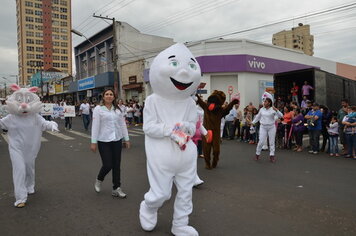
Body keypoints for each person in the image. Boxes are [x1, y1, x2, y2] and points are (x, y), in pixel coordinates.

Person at [91, 89, 130, 198]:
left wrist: (126, 139)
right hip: (104, 140)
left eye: (111, 94)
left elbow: (122, 125)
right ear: (103, 97)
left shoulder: (117, 110)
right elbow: (95, 126)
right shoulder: (98, 109)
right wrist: (93, 142)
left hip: (117, 140)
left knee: (117, 165)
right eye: (107, 94)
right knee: (108, 164)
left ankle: (116, 188)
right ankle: (99, 179)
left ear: (114, 97)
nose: (109, 96)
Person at [252, 92, 283, 163]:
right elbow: (257, 117)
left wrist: (277, 111)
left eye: (265, 101)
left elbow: (281, 116)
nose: (264, 102)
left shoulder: (273, 109)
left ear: (269, 103)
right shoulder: (261, 109)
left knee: (272, 142)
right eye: (264, 101)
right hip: (263, 127)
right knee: (261, 142)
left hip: (271, 127)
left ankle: (272, 156)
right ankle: (257, 154)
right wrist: (252, 123)